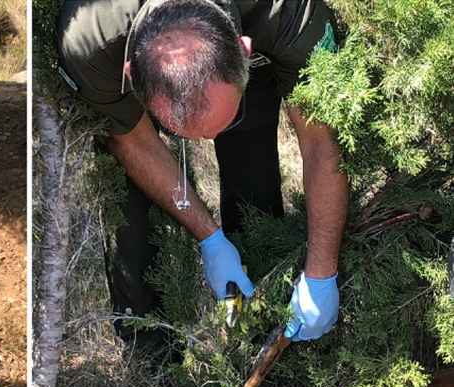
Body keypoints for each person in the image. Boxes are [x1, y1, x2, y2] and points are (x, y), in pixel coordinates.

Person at [56, 0, 349, 342]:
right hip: (122, 51)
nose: (210, 140)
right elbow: (133, 141)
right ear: (131, 73)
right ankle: (151, 348)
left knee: (252, 171)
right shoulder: (90, 41)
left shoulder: (288, 12)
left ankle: (263, 318)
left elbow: (322, 141)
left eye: (217, 124)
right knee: (129, 215)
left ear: (244, 48)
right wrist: (210, 239)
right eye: (190, 134)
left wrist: (321, 274)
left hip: (252, 31)